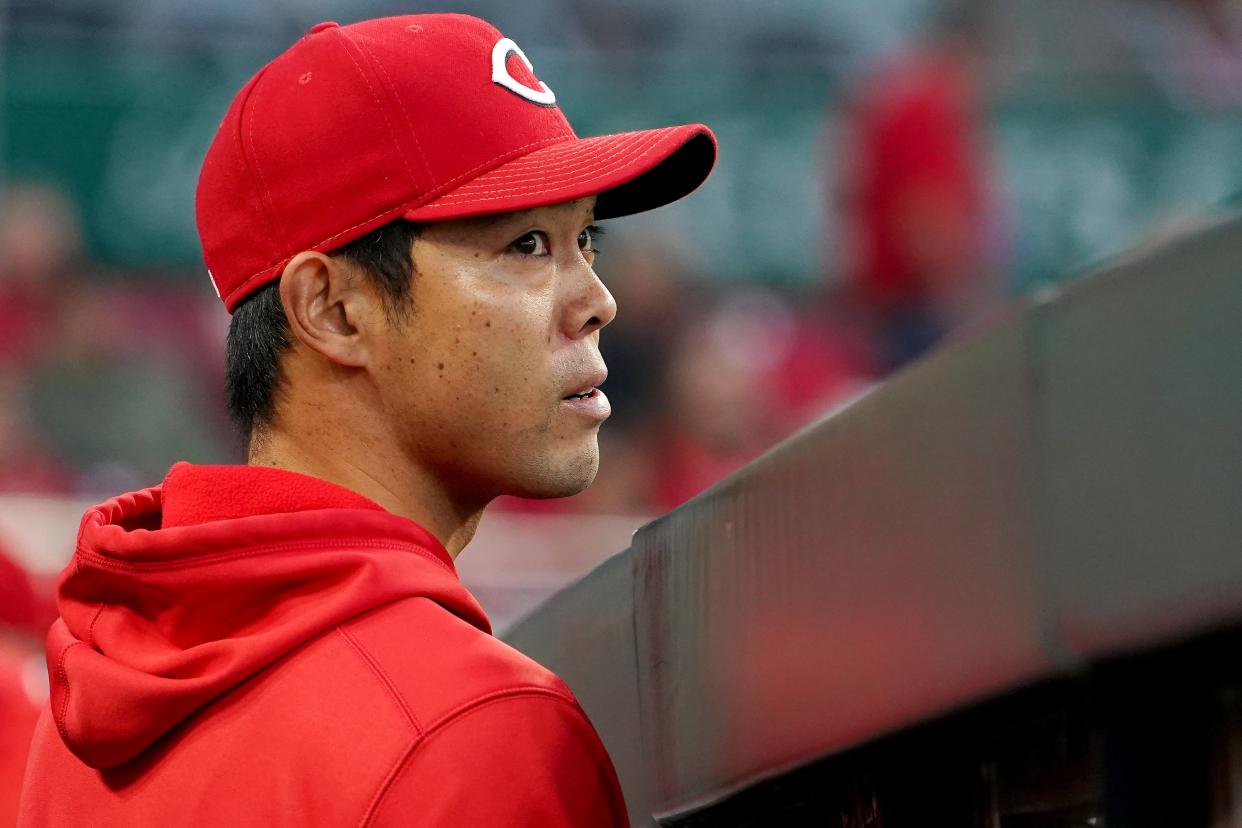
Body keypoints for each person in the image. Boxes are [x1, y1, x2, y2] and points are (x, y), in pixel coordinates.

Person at [19, 13, 715, 826]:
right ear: (334, 311)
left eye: (585, 238)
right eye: (527, 244)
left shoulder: (81, 721)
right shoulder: (474, 728)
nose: (599, 301)